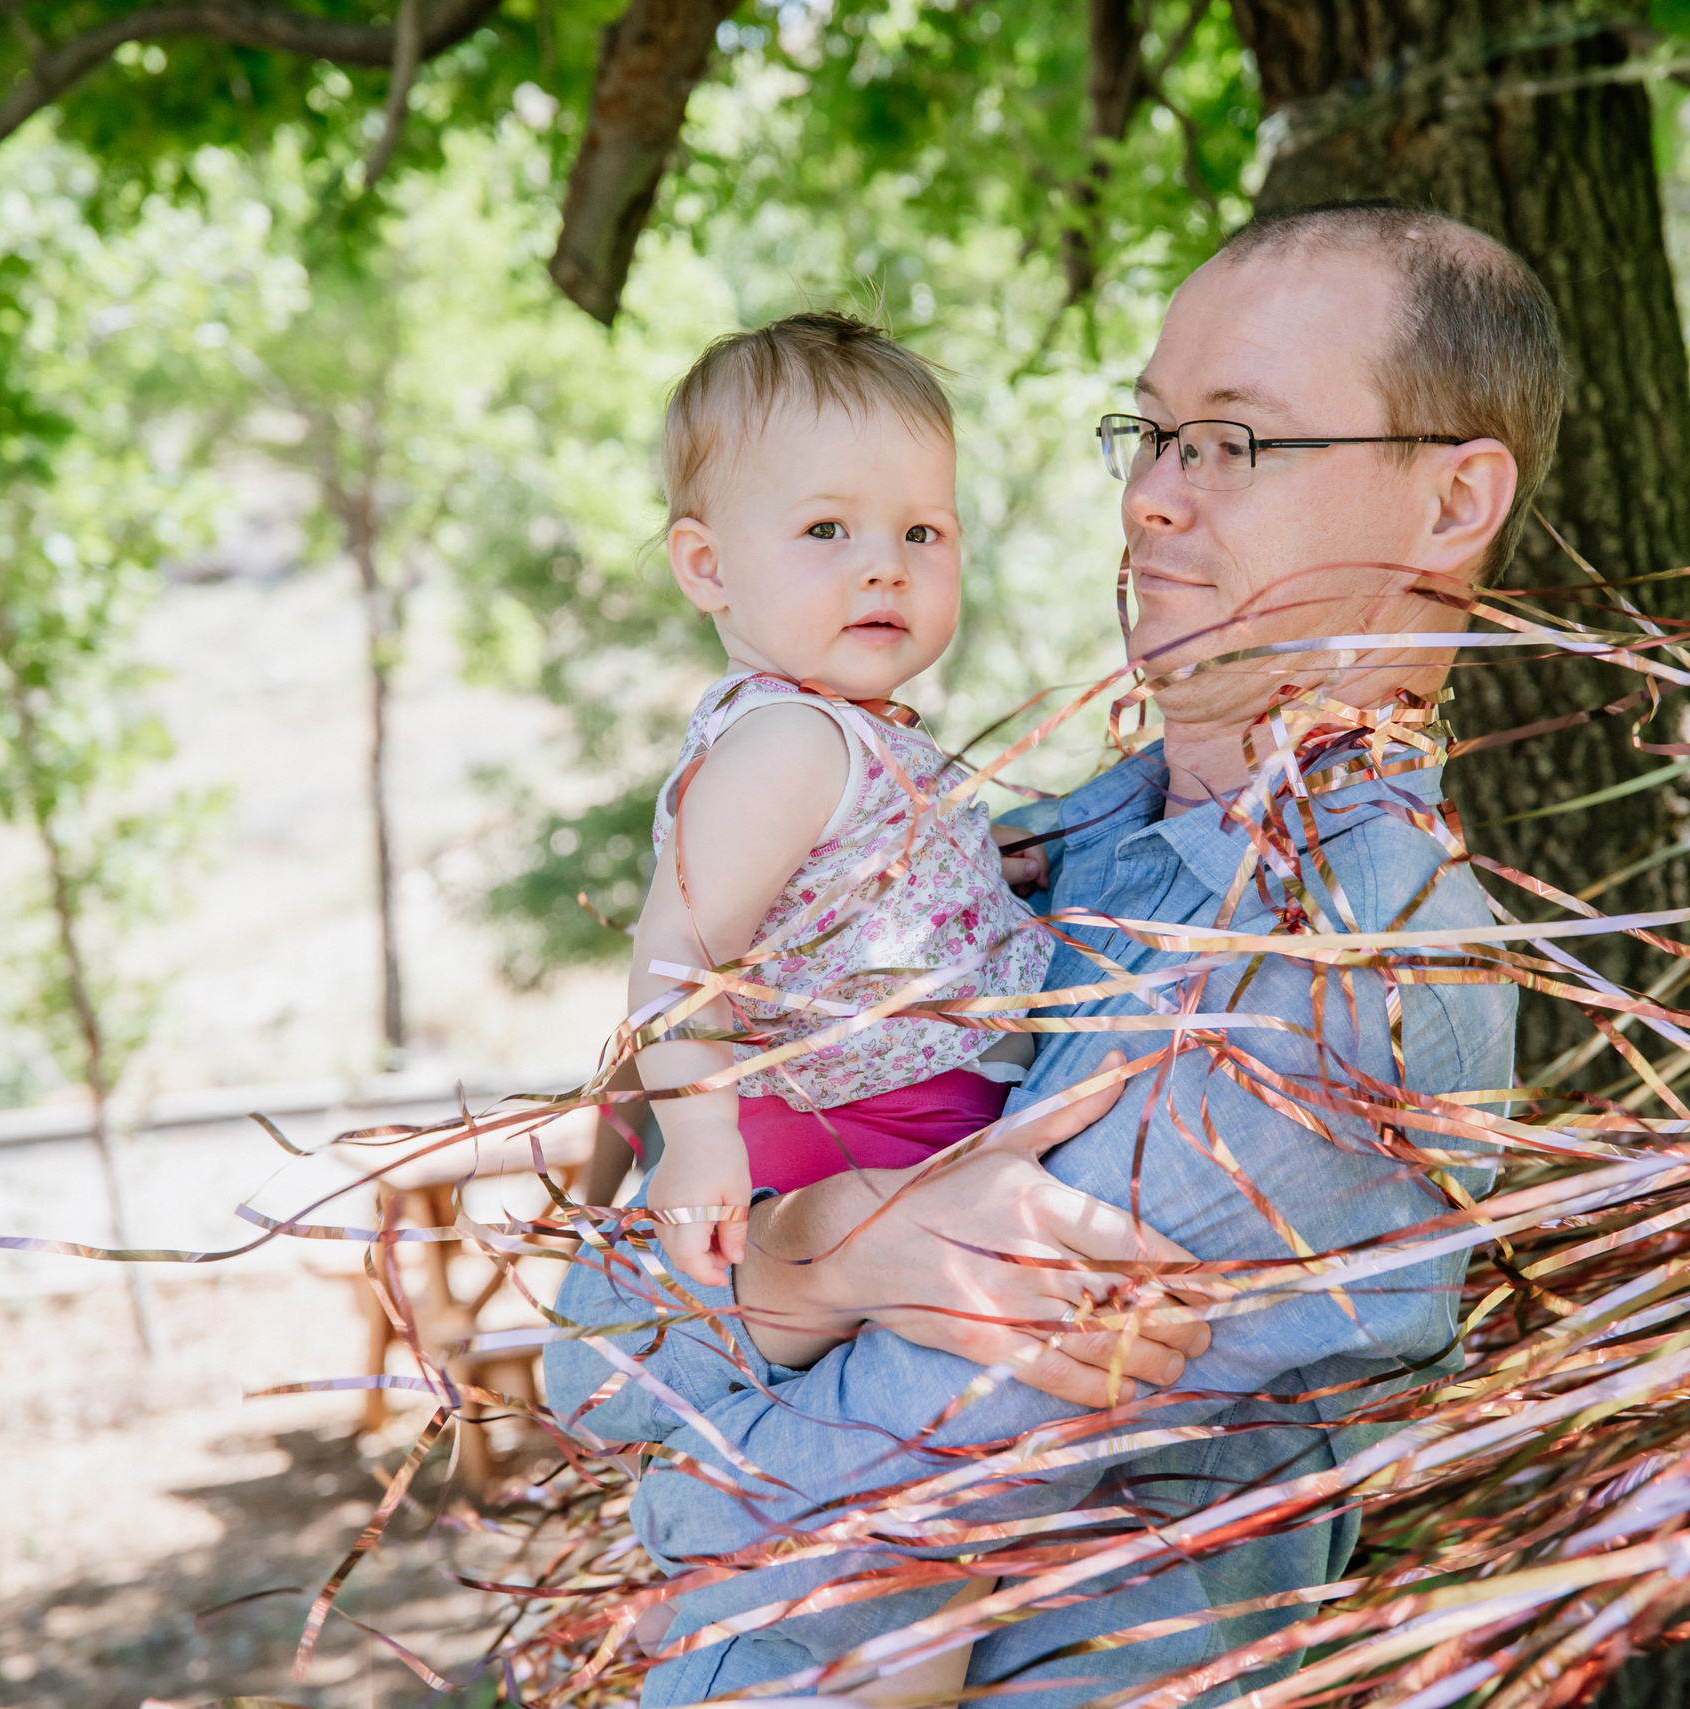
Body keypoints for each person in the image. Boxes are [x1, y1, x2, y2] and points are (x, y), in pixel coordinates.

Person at [548, 201, 1560, 1706]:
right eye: (1149, 433)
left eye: (1235, 441)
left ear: (1453, 499)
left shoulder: (1355, 968)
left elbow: (849, 1490)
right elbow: (591, 1340)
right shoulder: (1034, 856)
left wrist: (720, 1397)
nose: (1154, 496)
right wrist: (842, 1244)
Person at [619, 309, 1139, 1703]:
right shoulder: (786, 736)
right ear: (706, 565)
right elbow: (677, 947)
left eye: (923, 532)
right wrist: (701, 1134)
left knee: (918, 1555)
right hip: (845, 1139)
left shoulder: (864, 738)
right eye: (829, 531)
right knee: (913, 1562)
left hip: (905, 1130)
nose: (885, 568)